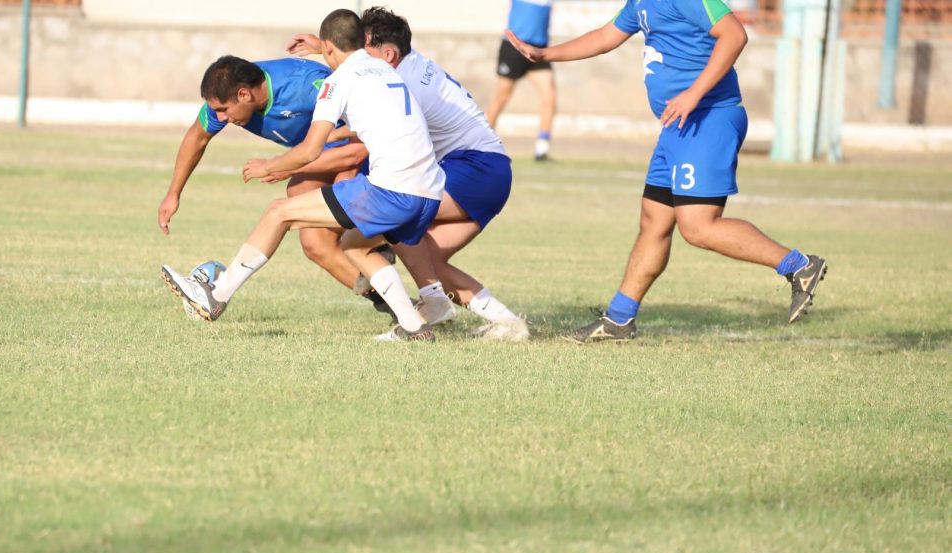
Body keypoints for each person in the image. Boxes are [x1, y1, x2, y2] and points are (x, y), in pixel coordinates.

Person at [504, 0, 827, 343]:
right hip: (677, 126)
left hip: (707, 118)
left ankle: (799, 265)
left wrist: (693, 93)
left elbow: (734, 35)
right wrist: (545, 54)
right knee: (654, 221)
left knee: (699, 227)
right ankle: (618, 319)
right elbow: (605, 37)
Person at [161, 9, 445, 341]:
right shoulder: (383, 67)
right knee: (353, 245)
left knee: (278, 213)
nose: (220, 117)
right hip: (430, 189)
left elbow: (310, 151)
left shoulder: (333, 84)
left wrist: (270, 166)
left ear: (327, 47)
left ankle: (215, 296)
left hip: (391, 189)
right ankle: (414, 326)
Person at [286, 7, 529, 341]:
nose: (357, 57)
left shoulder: (401, 81)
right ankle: (509, 323)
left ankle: (423, 296)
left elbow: (366, 141)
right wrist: (325, 45)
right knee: (427, 257)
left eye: (363, 49)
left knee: (395, 209)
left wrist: (321, 143)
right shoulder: (403, 67)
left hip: (475, 168)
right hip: (488, 171)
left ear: (388, 54)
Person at [156, 55, 394, 318]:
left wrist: (282, 166)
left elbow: (358, 147)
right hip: (322, 156)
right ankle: (398, 305)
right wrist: (173, 194)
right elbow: (198, 137)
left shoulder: (305, 85)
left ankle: (374, 236)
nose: (220, 118)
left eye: (224, 109)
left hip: (372, 159)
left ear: (244, 94)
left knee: (291, 204)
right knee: (315, 241)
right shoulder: (230, 96)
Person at [485, 0, 557, 161]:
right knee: (500, 98)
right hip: (514, 47)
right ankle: (481, 145)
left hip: (539, 50)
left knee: (550, 97)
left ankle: (541, 150)